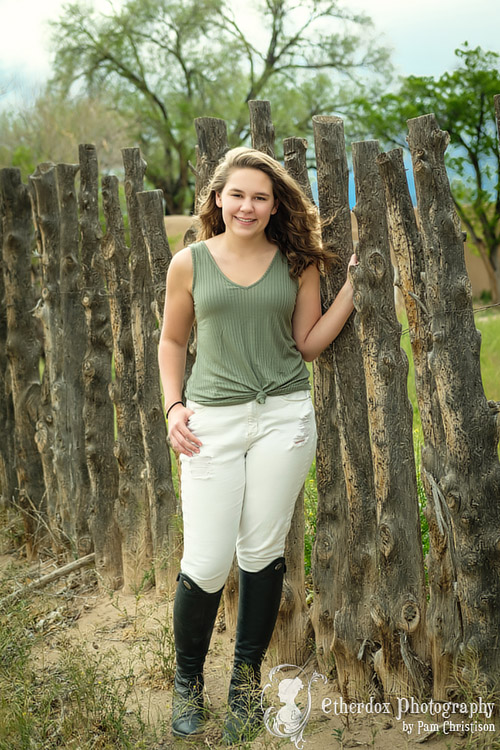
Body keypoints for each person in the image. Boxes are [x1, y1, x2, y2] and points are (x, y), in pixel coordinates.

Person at [158, 146, 357, 743]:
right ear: (218, 198)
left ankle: (245, 686)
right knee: (208, 559)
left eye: (261, 197)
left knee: (262, 550)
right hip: (211, 425)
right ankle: (187, 685)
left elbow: (308, 344)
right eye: (237, 195)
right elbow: (172, 343)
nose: (247, 206)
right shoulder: (189, 263)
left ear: (276, 206)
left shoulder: (296, 262)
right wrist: (173, 407)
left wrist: (352, 287)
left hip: (283, 419)